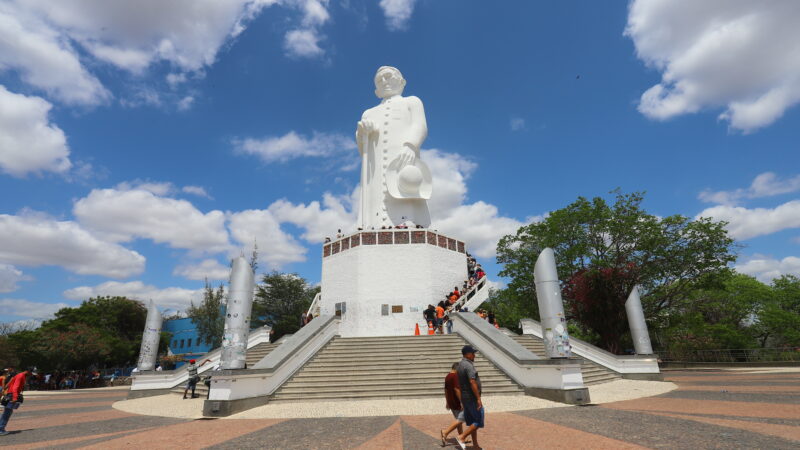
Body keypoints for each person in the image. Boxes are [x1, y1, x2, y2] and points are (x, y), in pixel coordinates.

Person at [355, 66, 432, 230]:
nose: (384, 81)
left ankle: (409, 222)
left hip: (402, 159)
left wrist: (410, 146)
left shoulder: (411, 101)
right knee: (375, 197)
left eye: (388, 76)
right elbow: (362, 149)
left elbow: (420, 126)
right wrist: (363, 132)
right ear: (376, 89)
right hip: (375, 171)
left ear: (402, 81)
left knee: (406, 192)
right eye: (379, 80)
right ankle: (371, 225)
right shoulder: (368, 113)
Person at [456, 345, 483, 449]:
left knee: (472, 421)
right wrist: (478, 398)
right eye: (473, 353)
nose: (474, 355)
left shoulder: (460, 365)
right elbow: (472, 382)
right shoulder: (468, 365)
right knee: (478, 420)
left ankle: (475, 445)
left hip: (465, 397)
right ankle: (462, 437)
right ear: (467, 354)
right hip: (472, 397)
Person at [0, 367, 34, 436]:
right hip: (12, 395)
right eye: (31, 373)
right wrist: (15, 397)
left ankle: (1, 428)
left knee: (7, 412)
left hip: (11, 394)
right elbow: (16, 387)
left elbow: (11, 382)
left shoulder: (21, 375)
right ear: (28, 371)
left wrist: (5, 388)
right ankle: (1, 429)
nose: (32, 375)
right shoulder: (21, 376)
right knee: (7, 413)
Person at [441, 363, 465, 446]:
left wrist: (447, 401)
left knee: (459, 420)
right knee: (461, 419)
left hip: (451, 401)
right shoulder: (455, 376)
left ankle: (462, 437)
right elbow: (456, 389)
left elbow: (446, 390)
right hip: (457, 402)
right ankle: (445, 432)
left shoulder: (447, 376)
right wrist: (462, 401)